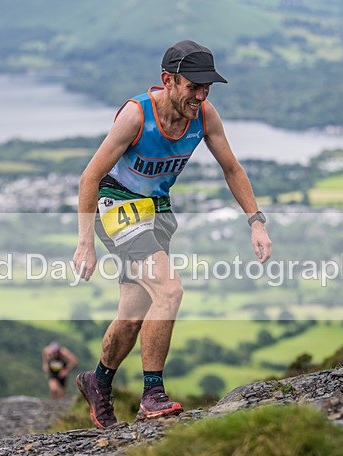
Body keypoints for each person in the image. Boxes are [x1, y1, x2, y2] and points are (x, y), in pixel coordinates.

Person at [72, 40, 272, 428]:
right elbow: (90, 177)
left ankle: (97, 381)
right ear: (168, 80)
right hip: (117, 206)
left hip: (157, 211)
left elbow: (232, 168)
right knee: (169, 289)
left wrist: (256, 221)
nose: (200, 95)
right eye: (192, 86)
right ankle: (152, 395)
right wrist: (85, 242)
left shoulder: (205, 115)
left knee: (132, 316)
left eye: (206, 87)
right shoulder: (136, 116)